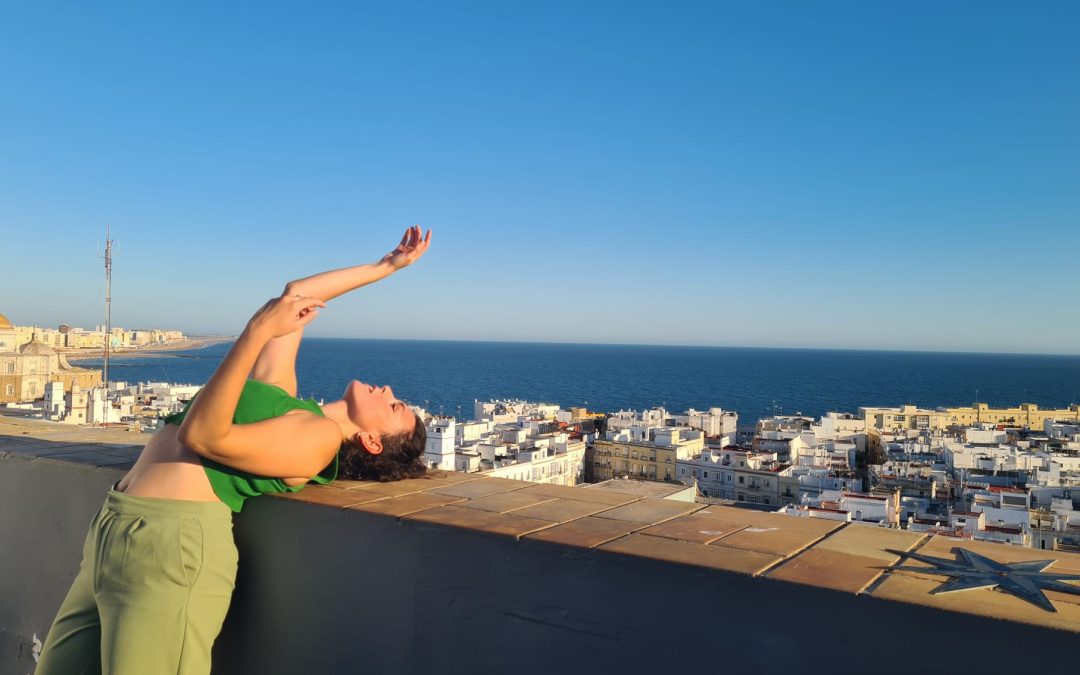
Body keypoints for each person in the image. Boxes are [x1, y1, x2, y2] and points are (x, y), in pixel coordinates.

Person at [35, 226, 433, 675]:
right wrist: (386, 267)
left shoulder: (318, 441)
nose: (389, 390)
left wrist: (256, 331)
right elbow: (298, 295)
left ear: (372, 441)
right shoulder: (285, 401)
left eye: (395, 406)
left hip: (171, 546)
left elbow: (203, 437)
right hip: (119, 524)